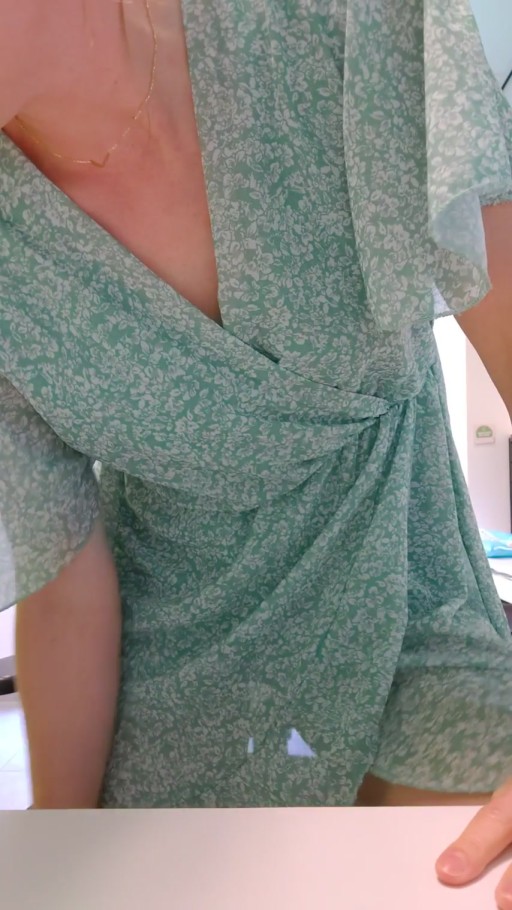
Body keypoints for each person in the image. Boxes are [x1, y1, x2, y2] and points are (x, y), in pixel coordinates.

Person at [0, 0, 512, 903]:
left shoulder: (338, 20)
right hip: (176, 688)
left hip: (411, 598)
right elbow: (66, 577)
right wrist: (56, 852)